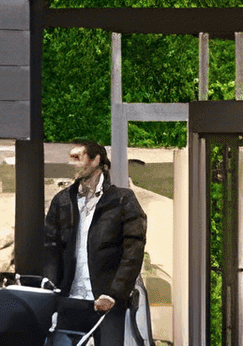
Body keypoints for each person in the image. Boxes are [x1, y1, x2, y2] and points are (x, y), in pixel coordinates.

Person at [28, 143, 149, 346]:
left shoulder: (122, 199)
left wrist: (115, 293)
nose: (71, 163)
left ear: (96, 160)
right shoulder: (62, 200)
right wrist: (52, 289)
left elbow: (133, 251)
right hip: (69, 300)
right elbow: (50, 247)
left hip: (106, 301)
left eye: (77, 158)